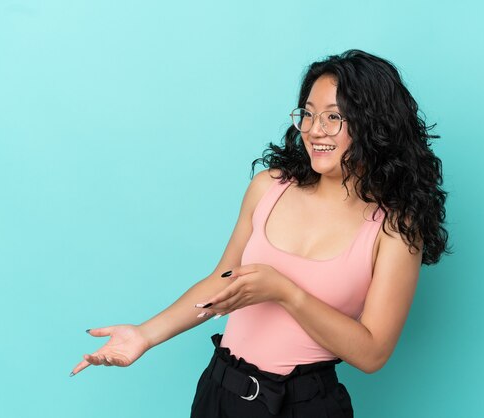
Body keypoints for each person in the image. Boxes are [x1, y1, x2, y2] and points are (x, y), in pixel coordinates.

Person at [70, 49, 449, 417]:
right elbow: (223, 280)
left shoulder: (395, 228)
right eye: (309, 114)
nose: (314, 130)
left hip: (304, 405)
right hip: (220, 391)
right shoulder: (270, 186)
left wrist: (286, 292)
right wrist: (144, 335)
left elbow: (373, 353)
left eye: (333, 117)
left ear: (373, 125)